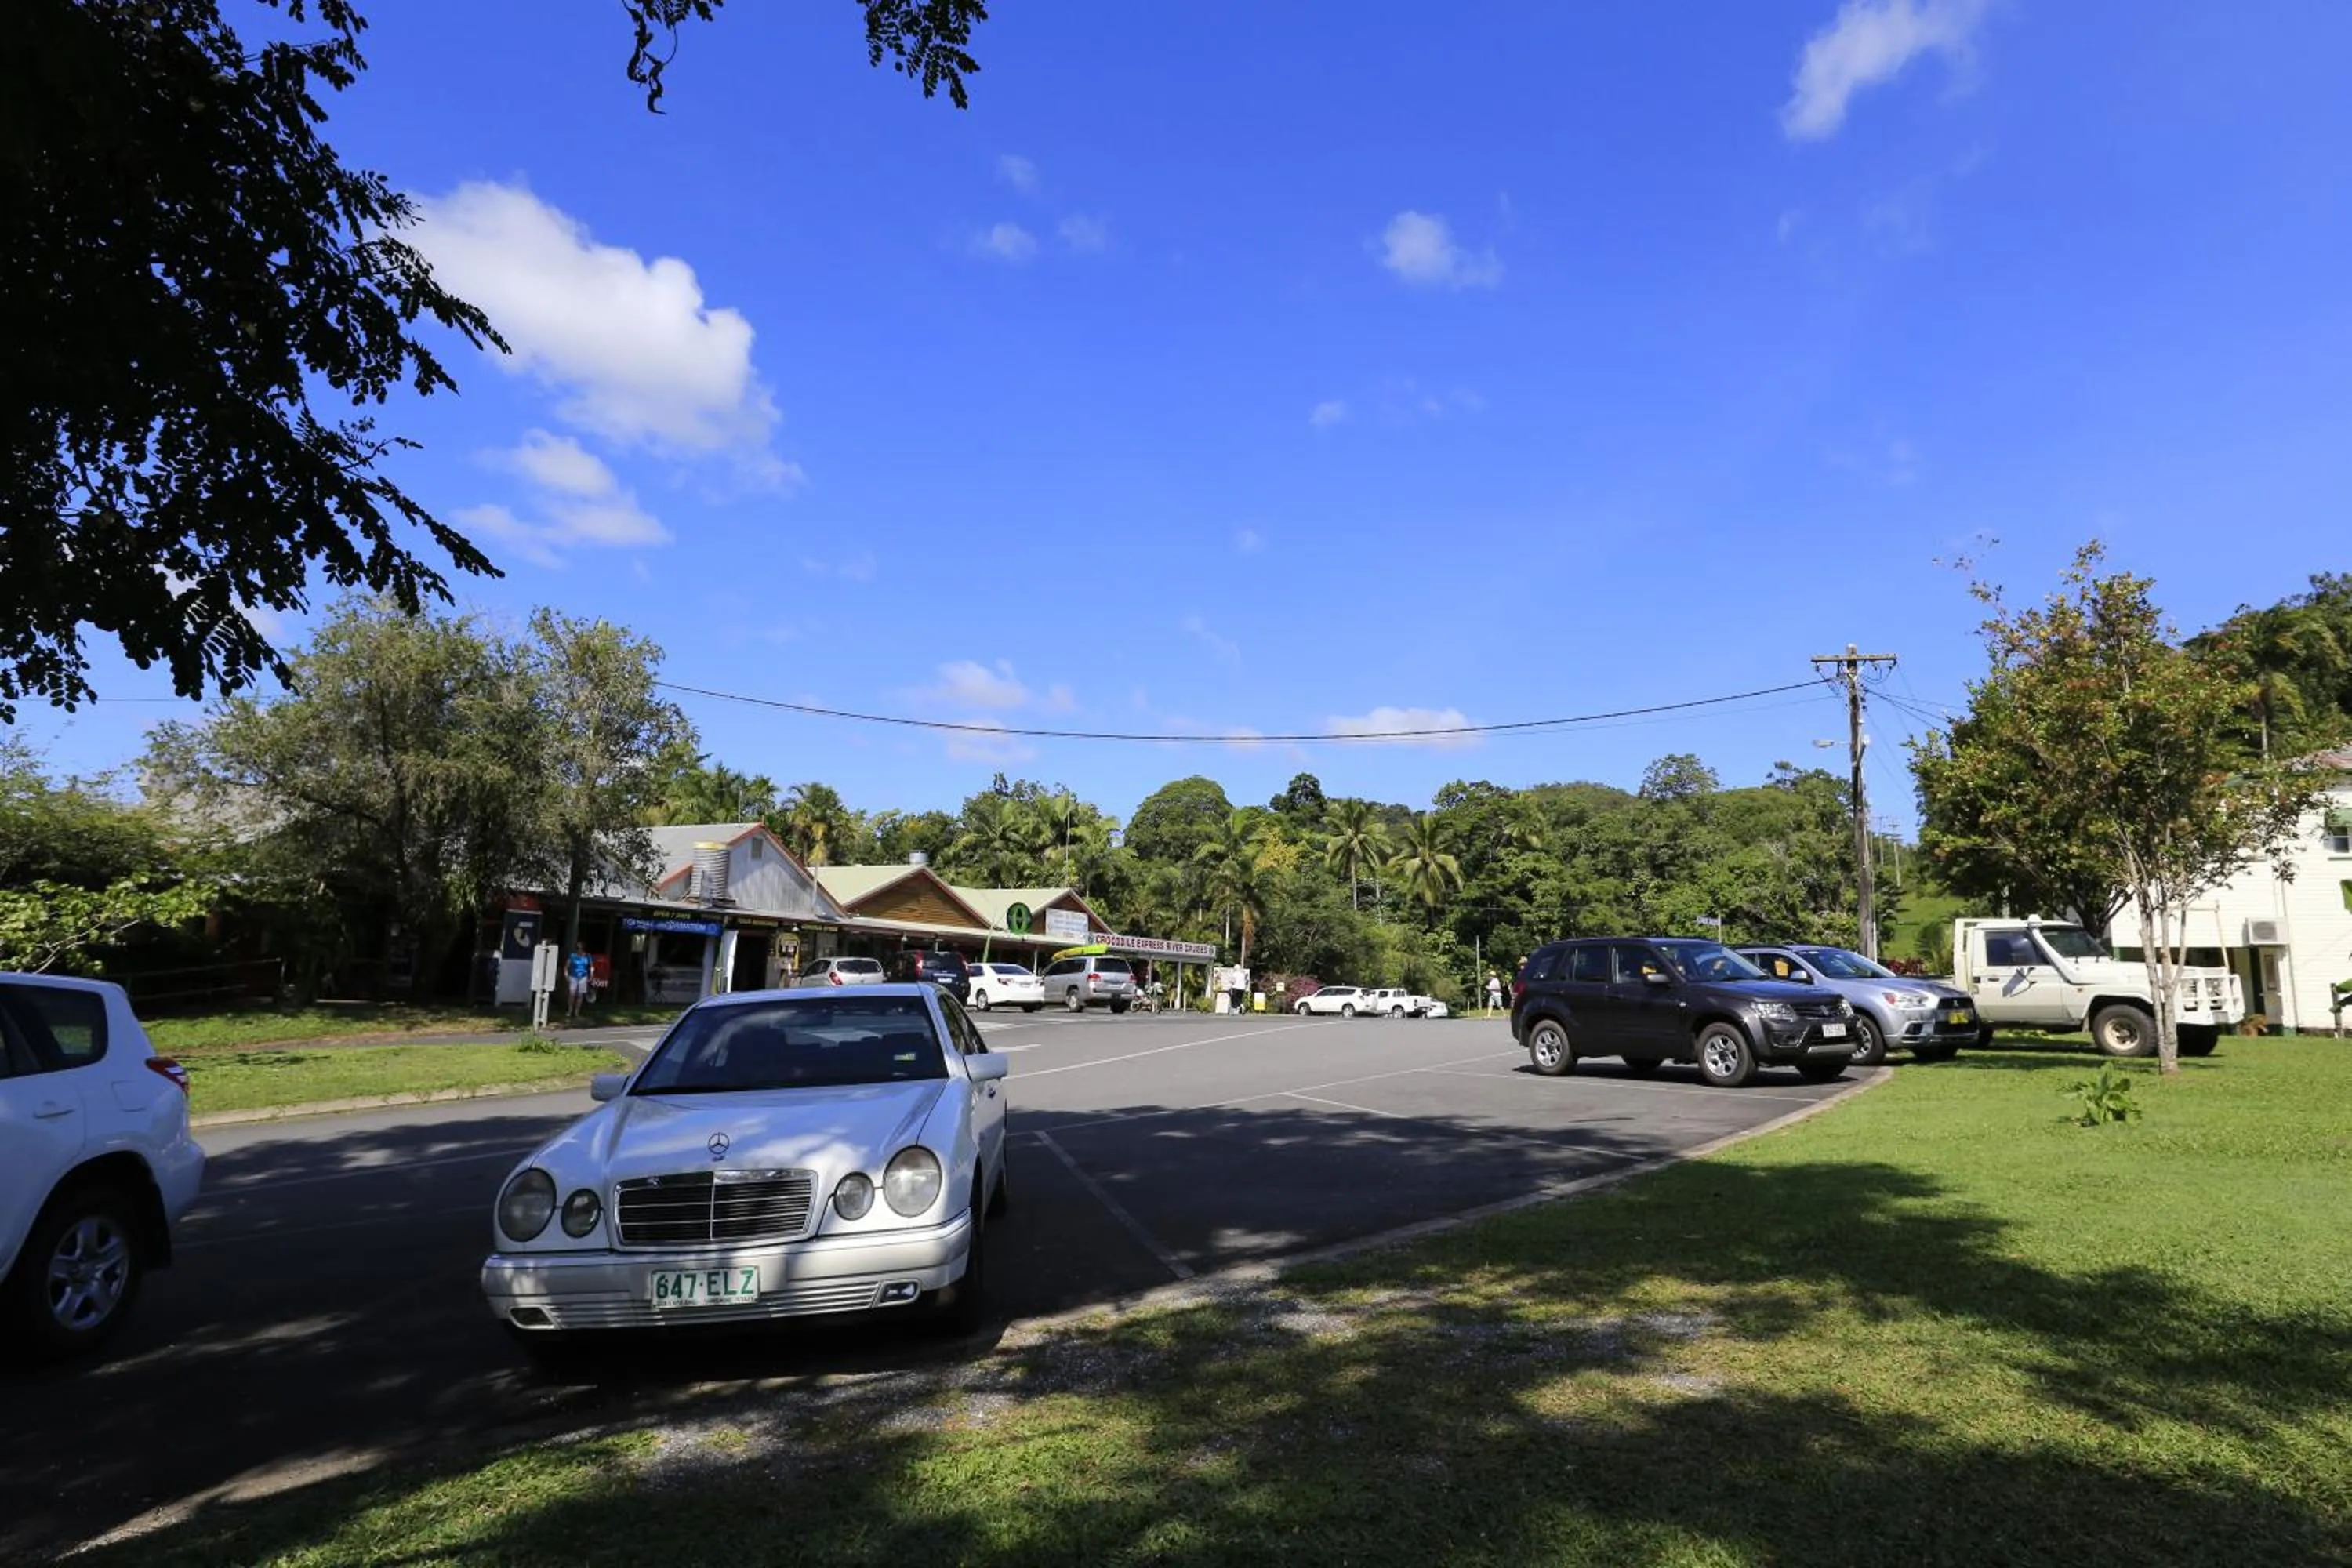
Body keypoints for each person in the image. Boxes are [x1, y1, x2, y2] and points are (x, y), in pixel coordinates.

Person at [565, 947, 592, 1018]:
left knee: (580, 995)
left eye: (581, 948)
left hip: (583, 976)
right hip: (573, 976)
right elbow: (567, 966)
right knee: (572, 994)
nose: (580, 950)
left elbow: (591, 967)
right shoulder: (573, 956)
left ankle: (577, 1012)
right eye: (578, 949)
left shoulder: (587, 956)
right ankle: (570, 1011)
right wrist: (566, 974)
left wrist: (591, 975)